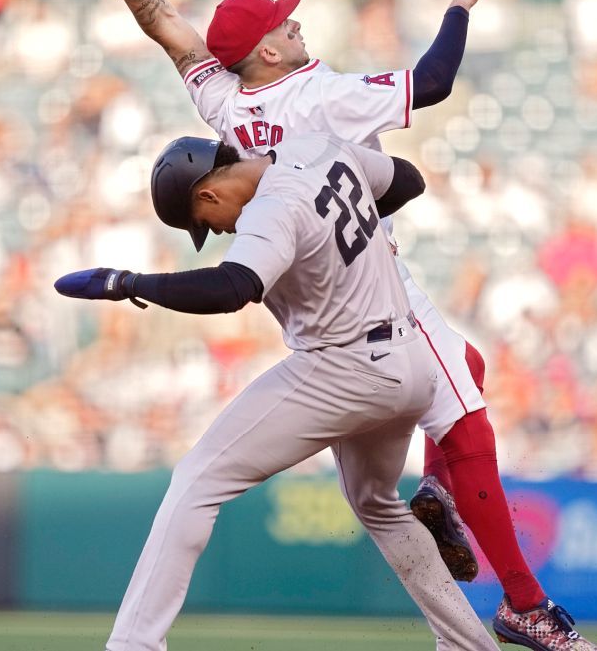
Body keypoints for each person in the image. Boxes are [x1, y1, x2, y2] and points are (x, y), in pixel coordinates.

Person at [47, 0, 597, 649]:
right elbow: (419, 127)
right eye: (284, 19)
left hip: (338, 341)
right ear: (268, 53)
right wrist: (460, 6)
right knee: (401, 460)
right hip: (382, 298)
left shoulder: (229, 112)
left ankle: (504, 581)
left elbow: (167, 30)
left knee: (204, 478)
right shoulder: (322, 107)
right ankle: (480, 614)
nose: (296, 19)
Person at [55, 132, 499, 651]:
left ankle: (133, 644)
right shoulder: (318, 150)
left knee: (198, 479)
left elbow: (230, 289)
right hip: (409, 360)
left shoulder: (269, 210)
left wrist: (126, 282)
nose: (217, 231)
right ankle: (470, 645)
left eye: (204, 224)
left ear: (208, 195)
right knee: (377, 503)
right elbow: (407, 179)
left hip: (347, 365)